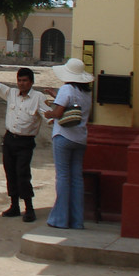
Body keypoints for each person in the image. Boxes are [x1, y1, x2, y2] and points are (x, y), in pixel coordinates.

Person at [0, 55, 53, 222]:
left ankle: (29, 208)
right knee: (10, 172)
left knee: (23, 174)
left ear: (31, 82)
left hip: (25, 142)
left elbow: (50, 118)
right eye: (19, 80)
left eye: (24, 80)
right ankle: (14, 205)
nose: (21, 83)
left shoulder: (38, 98)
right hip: (9, 139)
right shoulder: (12, 94)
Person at [44, 57, 94, 229]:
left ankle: (60, 219)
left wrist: (48, 114)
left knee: (63, 178)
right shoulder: (87, 93)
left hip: (64, 136)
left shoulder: (66, 88)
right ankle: (76, 219)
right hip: (81, 138)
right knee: (76, 179)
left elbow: (58, 112)